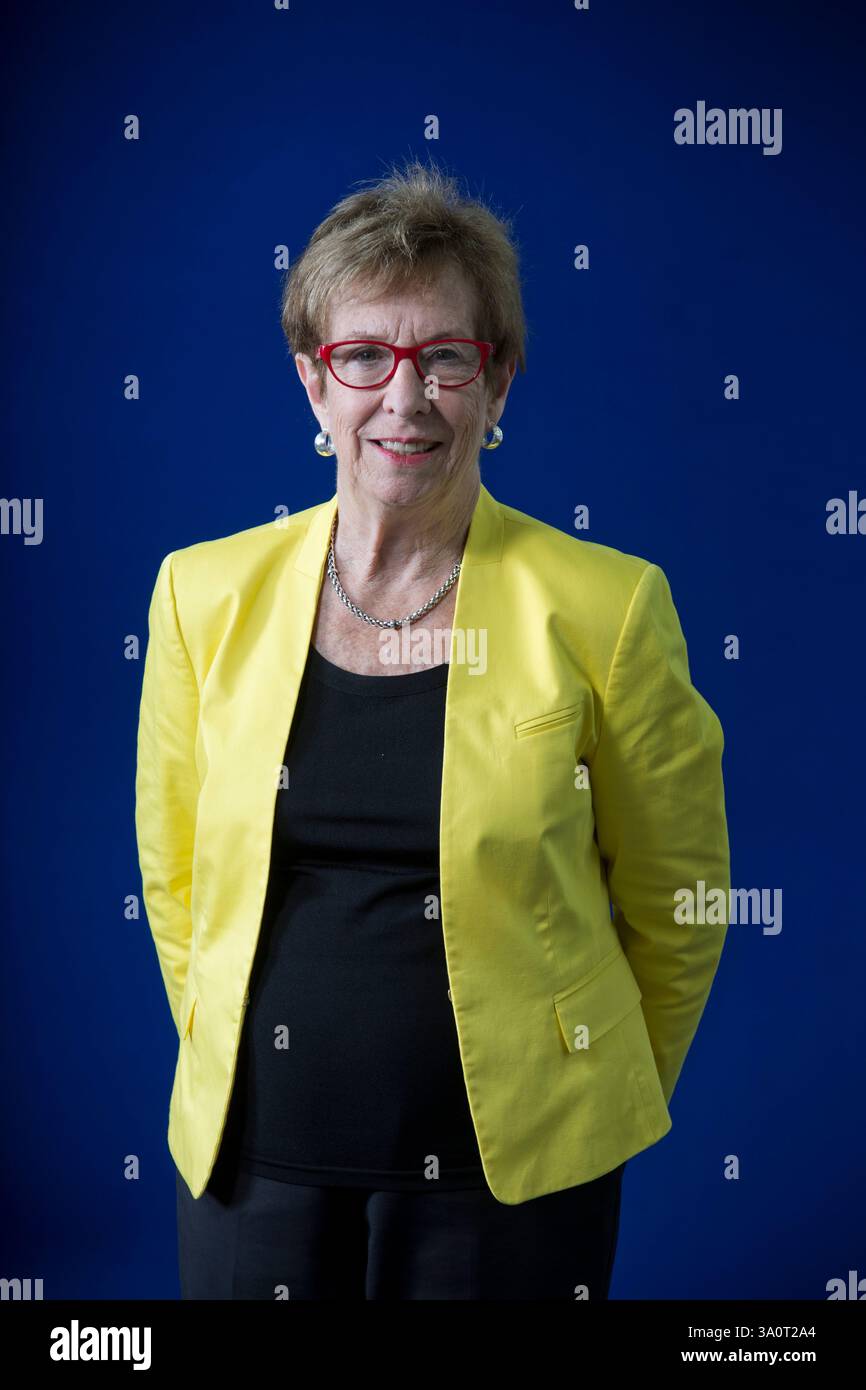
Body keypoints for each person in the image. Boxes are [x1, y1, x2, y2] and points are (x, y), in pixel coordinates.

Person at [135, 158, 730, 1301]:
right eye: (364, 355)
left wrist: (580, 1094)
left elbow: (679, 900)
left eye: (443, 358)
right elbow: (175, 883)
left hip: (507, 1191)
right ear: (315, 384)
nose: (402, 399)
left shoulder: (606, 605)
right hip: (250, 1169)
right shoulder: (199, 596)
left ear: (495, 382)